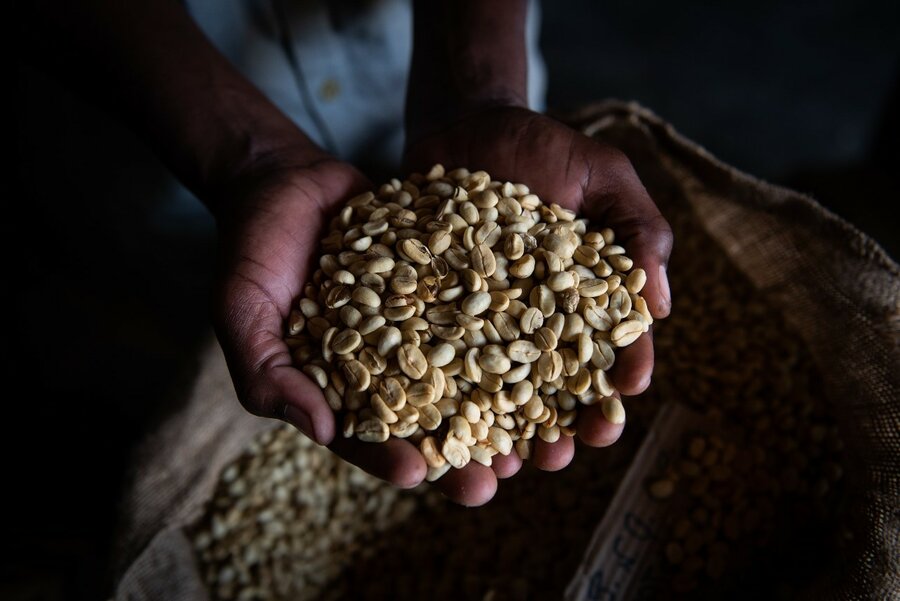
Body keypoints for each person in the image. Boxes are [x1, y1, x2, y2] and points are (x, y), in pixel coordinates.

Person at [24, 0, 672, 507]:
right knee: (175, 324)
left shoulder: (519, 274)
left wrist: (481, 90)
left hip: (409, 57)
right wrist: (248, 160)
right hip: (161, 129)